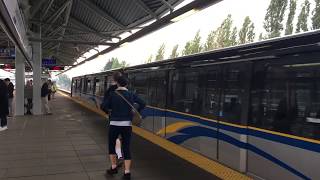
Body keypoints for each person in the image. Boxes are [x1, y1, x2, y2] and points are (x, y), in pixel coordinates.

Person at [102, 75, 145, 180]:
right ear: (126, 84)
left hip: (114, 124)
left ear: (117, 83)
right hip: (127, 125)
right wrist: (135, 111)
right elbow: (143, 103)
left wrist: (109, 113)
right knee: (126, 148)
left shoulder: (112, 94)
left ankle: (113, 167)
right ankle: (127, 173)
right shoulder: (131, 94)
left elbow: (103, 106)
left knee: (112, 146)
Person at [101, 72, 124, 162]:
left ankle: (118, 156)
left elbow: (103, 105)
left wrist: (108, 112)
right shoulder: (127, 90)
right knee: (122, 138)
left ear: (114, 79)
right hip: (126, 120)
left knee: (116, 138)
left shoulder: (110, 90)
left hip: (114, 118)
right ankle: (121, 155)